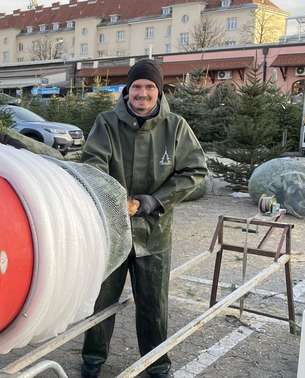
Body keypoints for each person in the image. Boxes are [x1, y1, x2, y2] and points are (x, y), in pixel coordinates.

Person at [79, 59, 208, 378]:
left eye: (150, 87)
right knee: (102, 300)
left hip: (155, 234)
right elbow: (93, 162)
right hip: (113, 230)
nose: (143, 93)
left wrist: (154, 201)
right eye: (137, 86)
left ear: (159, 90)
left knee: (153, 304)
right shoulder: (106, 123)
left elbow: (195, 172)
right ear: (127, 90)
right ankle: (93, 359)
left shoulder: (175, 127)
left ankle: (158, 363)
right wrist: (113, 198)